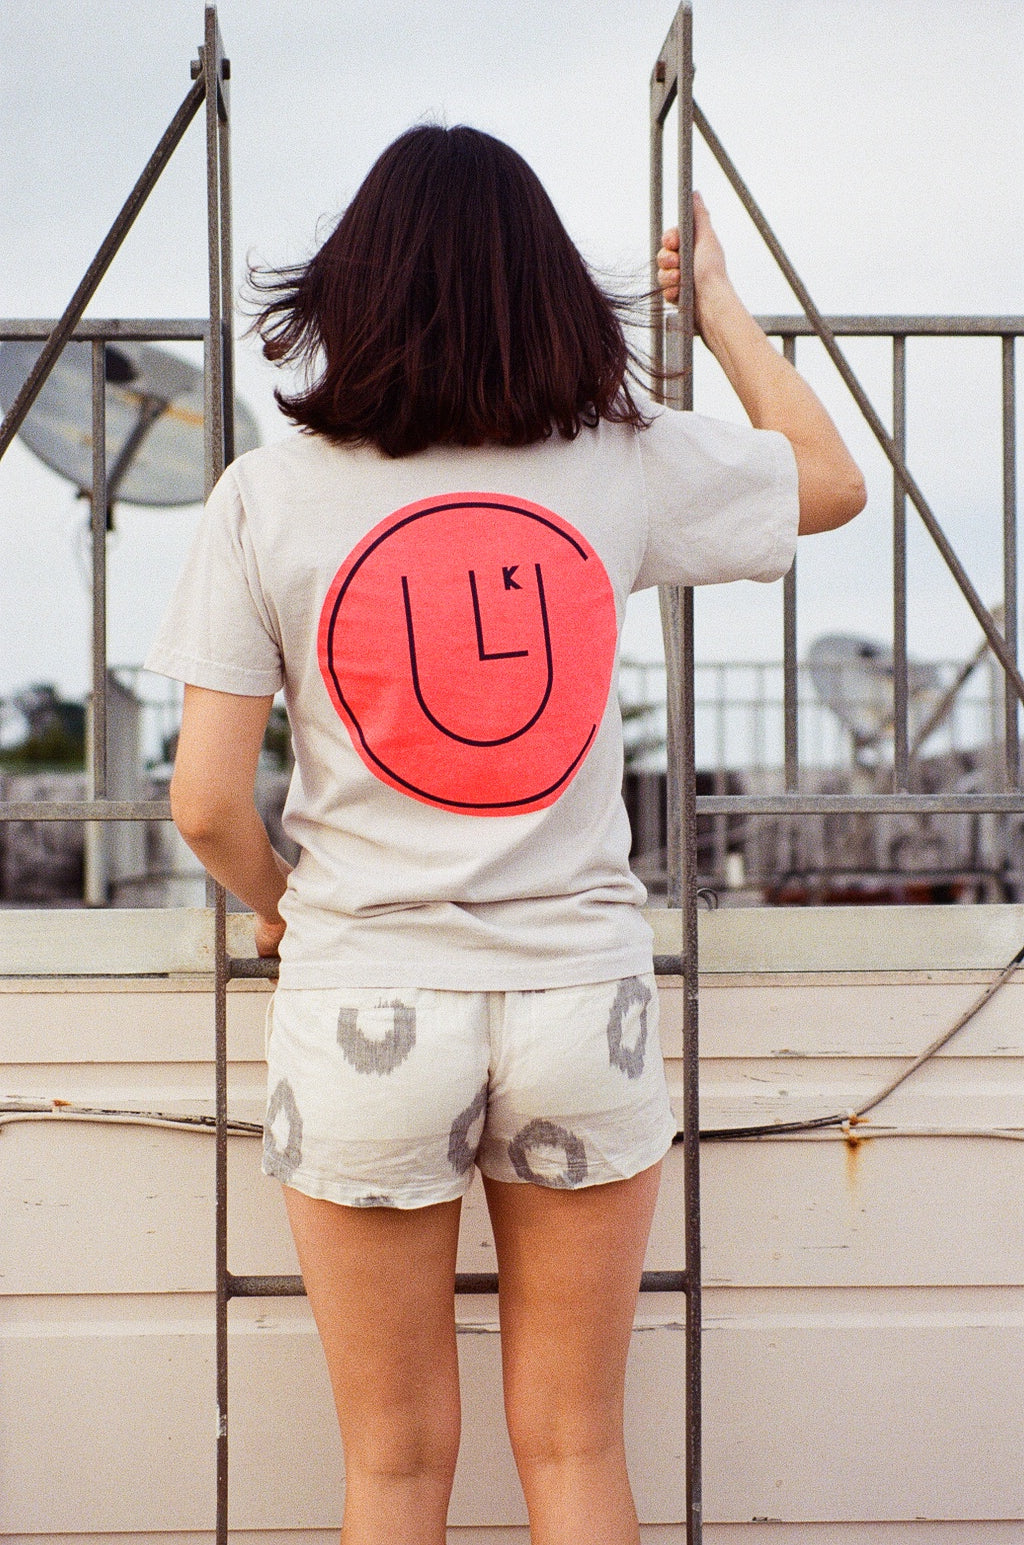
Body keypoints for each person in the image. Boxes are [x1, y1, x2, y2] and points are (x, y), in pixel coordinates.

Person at [147, 125, 864, 1545]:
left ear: (349, 291)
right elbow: (830, 481)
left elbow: (206, 803)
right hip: (576, 1003)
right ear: (548, 292)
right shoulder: (618, 463)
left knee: (397, 1465)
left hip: (365, 1006)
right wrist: (715, 304)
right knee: (578, 1445)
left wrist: (283, 906)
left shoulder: (264, 495)